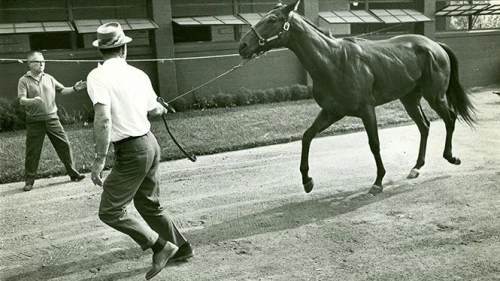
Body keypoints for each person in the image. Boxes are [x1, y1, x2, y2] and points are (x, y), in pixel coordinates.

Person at [86, 22, 194, 280]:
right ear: (124, 48)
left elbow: (103, 119)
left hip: (132, 151)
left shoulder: (97, 76)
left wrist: (99, 159)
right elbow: (155, 110)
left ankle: (161, 246)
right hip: (150, 144)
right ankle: (182, 247)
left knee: (110, 211)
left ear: (101, 50)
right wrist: (163, 107)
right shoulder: (138, 74)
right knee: (149, 204)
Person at [17, 51, 86, 192]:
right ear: (30, 63)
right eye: (37, 62)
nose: (41, 64)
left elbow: (62, 90)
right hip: (34, 122)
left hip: (52, 119)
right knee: (33, 151)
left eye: (43, 61)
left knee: (64, 145)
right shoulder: (23, 80)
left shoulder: (49, 78)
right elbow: (22, 100)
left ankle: (73, 174)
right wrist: (32, 101)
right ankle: (29, 181)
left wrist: (74, 88)